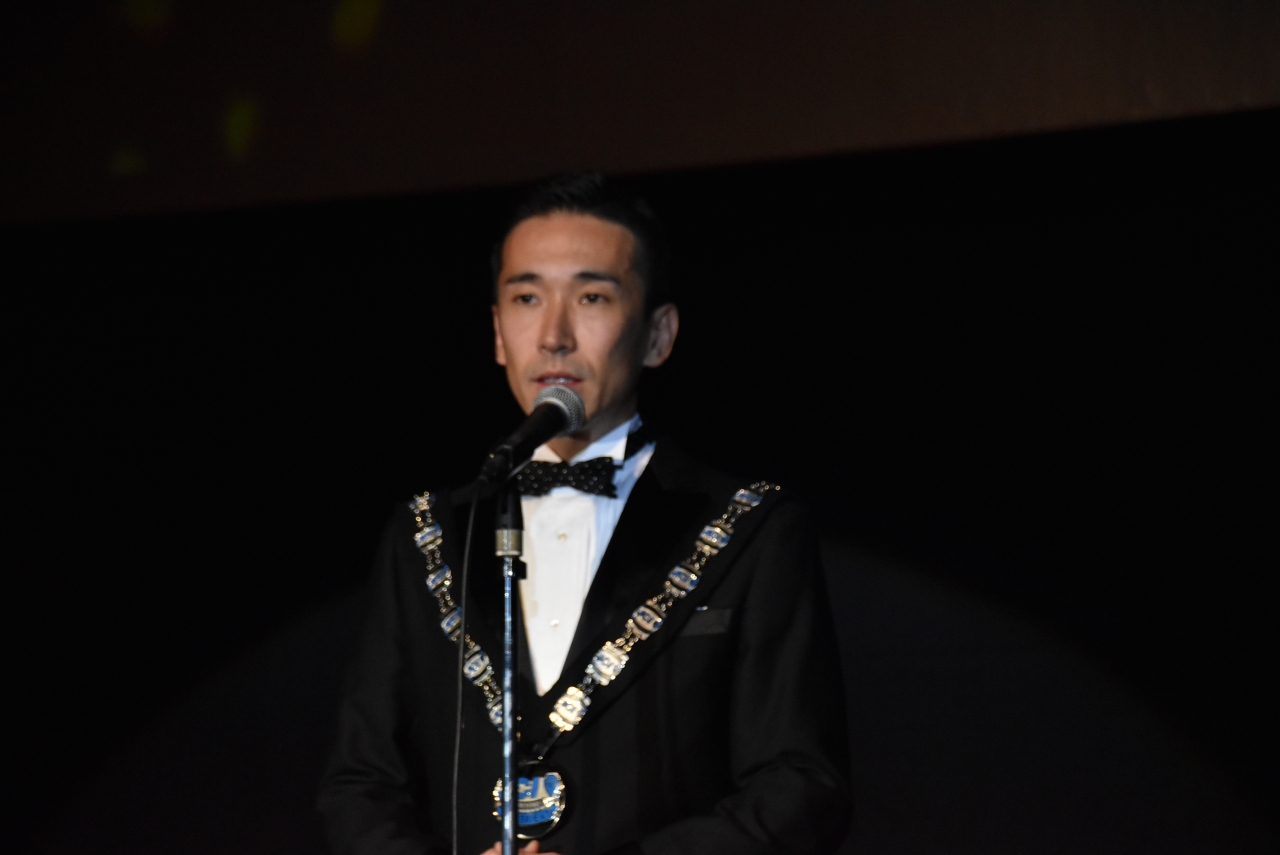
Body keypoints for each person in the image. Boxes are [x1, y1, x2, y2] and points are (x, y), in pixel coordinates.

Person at [318, 173, 851, 855]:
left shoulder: (751, 529)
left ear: (658, 334)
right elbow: (361, 782)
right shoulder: (429, 534)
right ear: (498, 333)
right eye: (527, 298)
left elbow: (801, 787)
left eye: (592, 296)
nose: (554, 335)